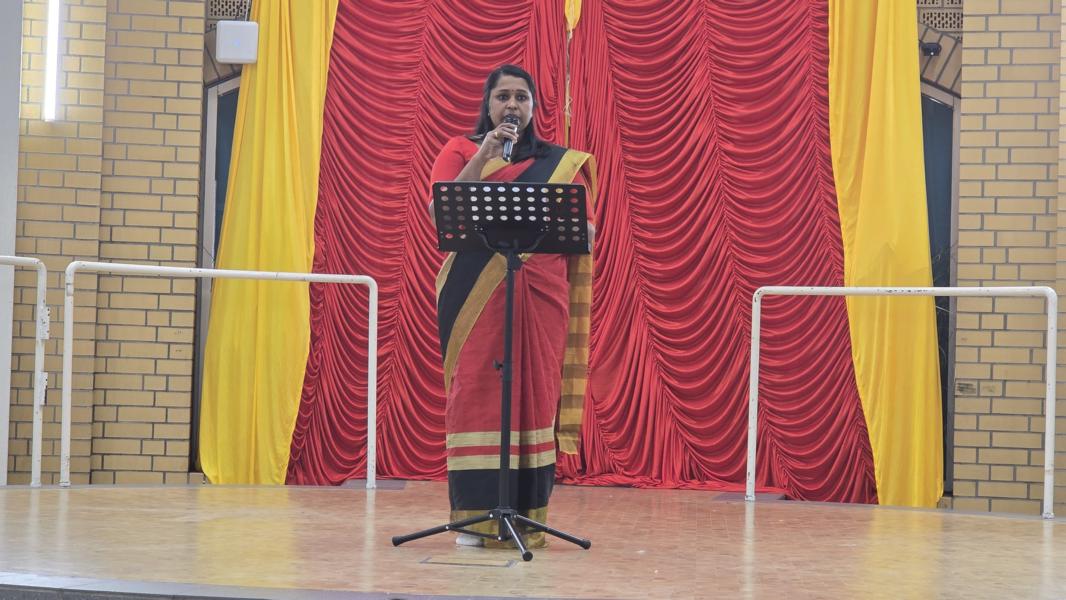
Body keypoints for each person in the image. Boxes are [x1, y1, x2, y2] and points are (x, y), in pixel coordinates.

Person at [429, 64, 595, 549]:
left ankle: (525, 517)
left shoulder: (560, 163)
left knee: (533, 395)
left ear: (534, 108)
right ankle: (472, 520)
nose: (512, 105)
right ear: (488, 104)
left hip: (538, 294)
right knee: (476, 394)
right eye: (502, 96)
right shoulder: (460, 149)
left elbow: (585, 232)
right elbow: (440, 210)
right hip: (473, 294)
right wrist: (484, 154)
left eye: (521, 97)